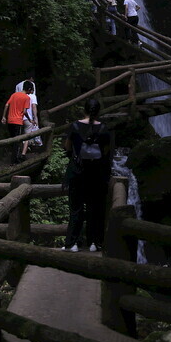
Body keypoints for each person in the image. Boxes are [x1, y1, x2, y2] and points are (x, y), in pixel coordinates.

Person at [62, 99, 112, 252]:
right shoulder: (103, 128)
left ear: (84, 110)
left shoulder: (75, 126)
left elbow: (67, 147)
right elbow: (106, 152)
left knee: (76, 209)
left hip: (77, 173)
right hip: (96, 174)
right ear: (98, 112)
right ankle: (94, 243)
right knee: (95, 209)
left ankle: (73, 243)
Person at [1, 83, 33, 164]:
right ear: (29, 89)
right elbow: (25, 111)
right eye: (31, 90)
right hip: (18, 121)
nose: (30, 93)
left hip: (10, 120)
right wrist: (29, 119)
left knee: (12, 140)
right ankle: (14, 161)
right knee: (17, 141)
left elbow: (7, 105)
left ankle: (13, 159)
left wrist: (4, 116)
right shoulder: (26, 98)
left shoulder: (14, 95)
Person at [16, 76, 42, 157]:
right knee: (27, 136)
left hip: (18, 117)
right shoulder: (32, 96)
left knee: (19, 135)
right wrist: (35, 118)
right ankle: (23, 153)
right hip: (28, 118)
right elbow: (34, 107)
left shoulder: (17, 89)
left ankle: (18, 151)